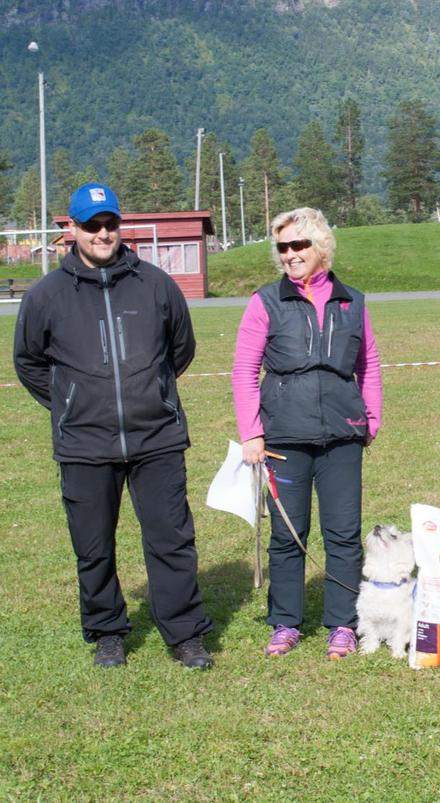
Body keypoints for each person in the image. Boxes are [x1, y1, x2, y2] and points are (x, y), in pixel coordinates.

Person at [13, 182, 214, 669]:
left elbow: (180, 349)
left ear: (120, 225)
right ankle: (108, 631)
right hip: (85, 443)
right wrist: (72, 403)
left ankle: (184, 635)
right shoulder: (46, 295)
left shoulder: (155, 283)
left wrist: (153, 393)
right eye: (92, 225)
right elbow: (29, 362)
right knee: (94, 546)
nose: (103, 234)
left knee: (171, 540)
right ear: (72, 229)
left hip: (156, 438)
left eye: (110, 224)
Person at [232, 207, 382, 659]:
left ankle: (342, 623)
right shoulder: (265, 302)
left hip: (342, 436)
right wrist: (252, 434)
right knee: (286, 534)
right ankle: (285, 622)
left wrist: (370, 418)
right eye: (283, 247)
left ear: (321, 247)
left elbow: (368, 364)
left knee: (342, 533)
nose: (290, 254)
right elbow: (244, 370)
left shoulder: (352, 301)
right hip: (282, 440)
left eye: (299, 245)